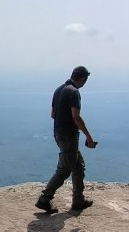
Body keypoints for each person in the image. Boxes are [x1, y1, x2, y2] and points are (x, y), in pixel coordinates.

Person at [36, 65, 97, 214]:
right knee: (64, 170)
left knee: (78, 166)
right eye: (85, 80)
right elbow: (76, 117)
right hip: (69, 136)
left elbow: (53, 114)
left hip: (59, 134)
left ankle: (78, 200)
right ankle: (44, 199)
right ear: (82, 79)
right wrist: (89, 137)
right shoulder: (74, 93)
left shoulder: (59, 89)